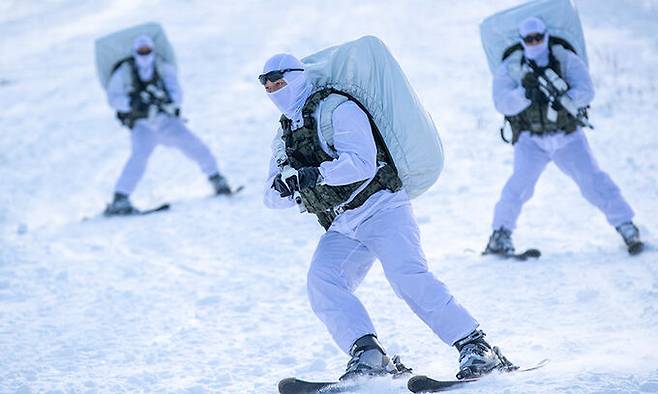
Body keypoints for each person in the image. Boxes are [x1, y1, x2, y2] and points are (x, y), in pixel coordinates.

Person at [260, 53, 515, 380]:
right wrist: (286, 187)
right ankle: (368, 354)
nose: (273, 91)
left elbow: (362, 163)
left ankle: (476, 346)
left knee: (407, 276)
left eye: (279, 83)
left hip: (381, 207)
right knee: (323, 282)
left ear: (297, 78)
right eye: (267, 86)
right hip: (342, 223)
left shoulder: (337, 109)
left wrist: (316, 175)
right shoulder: (284, 135)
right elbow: (269, 196)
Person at [485, 17, 644, 256]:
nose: (535, 42)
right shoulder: (513, 65)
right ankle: (500, 234)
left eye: (539, 37)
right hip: (531, 139)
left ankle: (626, 226)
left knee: (594, 182)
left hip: (567, 137)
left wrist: (564, 101)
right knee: (518, 187)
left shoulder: (564, 58)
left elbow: (587, 90)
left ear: (546, 36)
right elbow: (501, 102)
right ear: (522, 41)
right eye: (529, 39)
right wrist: (526, 93)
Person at [104, 34, 232, 215]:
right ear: (134, 52)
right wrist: (132, 103)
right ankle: (120, 198)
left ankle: (217, 179)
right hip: (142, 124)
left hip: (165, 120)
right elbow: (113, 98)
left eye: (147, 50)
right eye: (140, 51)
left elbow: (177, 93)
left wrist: (164, 100)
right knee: (139, 156)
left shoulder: (162, 67)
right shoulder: (124, 71)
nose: (144, 54)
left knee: (195, 146)